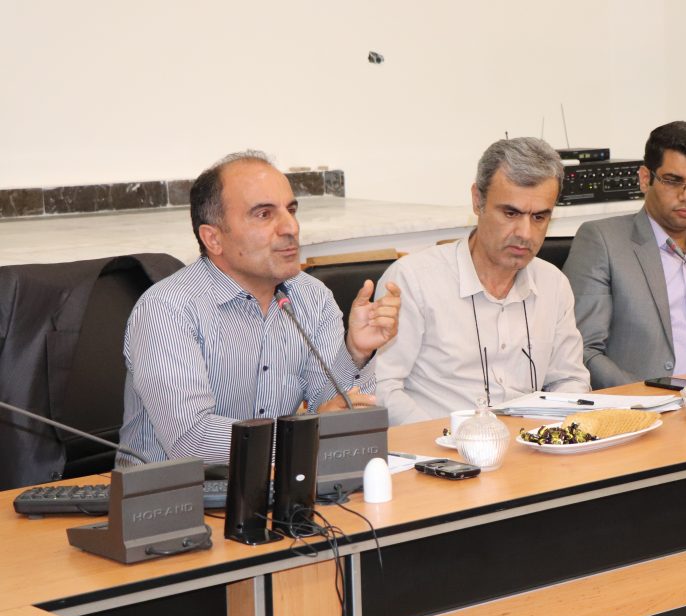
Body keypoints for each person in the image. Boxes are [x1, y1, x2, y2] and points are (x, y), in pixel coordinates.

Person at [120, 151, 401, 463]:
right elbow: (192, 440)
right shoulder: (168, 310)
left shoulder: (312, 297)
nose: (290, 227)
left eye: (291, 210)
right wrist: (304, 436)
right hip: (175, 490)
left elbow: (332, 410)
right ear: (213, 239)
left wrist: (356, 352)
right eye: (264, 214)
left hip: (278, 481)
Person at [374, 137, 590, 425]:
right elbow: (382, 387)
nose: (525, 233)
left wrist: (547, 433)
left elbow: (569, 380)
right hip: (440, 445)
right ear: (478, 201)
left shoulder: (554, 284)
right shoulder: (413, 280)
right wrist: (445, 438)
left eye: (539, 217)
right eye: (511, 213)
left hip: (531, 444)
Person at [562, 121, 686, 389]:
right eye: (673, 181)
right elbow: (584, 350)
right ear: (645, 179)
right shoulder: (602, 242)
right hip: (644, 405)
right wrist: (648, 398)